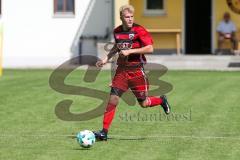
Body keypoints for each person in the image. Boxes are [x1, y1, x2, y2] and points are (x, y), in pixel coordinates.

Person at [94, 4, 171, 141]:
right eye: (126, 17)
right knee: (113, 99)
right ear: (121, 18)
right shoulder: (117, 31)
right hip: (121, 70)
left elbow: (150, 48)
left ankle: (161, 100)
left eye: (131, 16)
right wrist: (106, 58)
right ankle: (104, 132)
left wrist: (130, 51)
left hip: (136, 71)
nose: (130, 19)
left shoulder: (139, 30)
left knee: (143, 103)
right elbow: (117, 47)